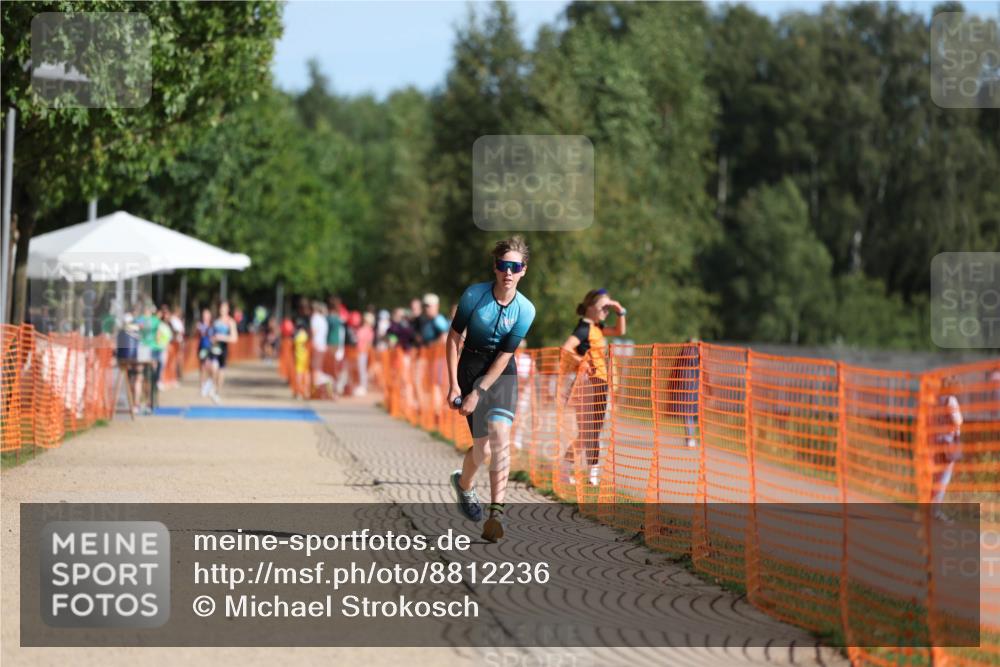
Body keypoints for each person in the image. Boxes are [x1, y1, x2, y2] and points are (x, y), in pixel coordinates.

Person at [447, 236, 536, 542]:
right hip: (470, 365)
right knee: (481, 448)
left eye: (515, 266)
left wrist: (479, 392)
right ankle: (465, 486)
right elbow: (453, 339)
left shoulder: (525, 310)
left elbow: (504, 356)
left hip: (502, 372)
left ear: (524, 270)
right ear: (495, 267)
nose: (508, 272)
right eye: (503, 265)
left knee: (500, 436)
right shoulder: (474, 295)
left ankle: (496, 514)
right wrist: (453, 384)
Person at [558, 288, 627, 487]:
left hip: (600, 383)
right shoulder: (584, 328)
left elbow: (619, 331)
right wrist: (581, 361)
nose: (606, 311)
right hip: (587, 384)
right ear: (590, 307)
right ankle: (590, 475)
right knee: (589, 431)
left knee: (592, 431)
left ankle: (580, 471)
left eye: (608, 308)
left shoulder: (597, 327)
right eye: (603, 307)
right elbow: (565, 349)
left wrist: (619, 310)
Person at [931, 377, 963, 520]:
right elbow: (957, 421)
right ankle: (935, 512)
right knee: (943, 478)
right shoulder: (951, 400)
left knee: (935, 477)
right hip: (948, 442)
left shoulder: (935, 399)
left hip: (935, 440)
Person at [210, 301, 239, 403]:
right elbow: (211, 335)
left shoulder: (230, 322)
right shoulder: (215, 321)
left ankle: (217, 392)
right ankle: (211, 386)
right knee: (213, 368)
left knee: (221, 372)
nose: (222, 310)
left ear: (228, 309)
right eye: (221, 307)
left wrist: (222, 337)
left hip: (223, 350)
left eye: (224, 308)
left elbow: (234, 338)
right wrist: (212, 339)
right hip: (214, 349)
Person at [354, 312, 375, 396]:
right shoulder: (362, 329)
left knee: (362, 369)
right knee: (360, 369)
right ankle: (361, 385)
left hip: (363, 352)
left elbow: (368, 343)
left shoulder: (369, 331)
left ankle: (363, 386)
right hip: (358, 351)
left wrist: (365, 350)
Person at [197, 308, 215, 397]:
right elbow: (199, 334)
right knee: (203, 367)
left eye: (207, 315)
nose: (205, 316)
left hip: (210, 348)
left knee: (210, 368)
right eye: (204, 314)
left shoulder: (212, 326)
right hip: (202, 348)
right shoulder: (200, 325)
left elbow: (213, 338)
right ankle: (202, 386)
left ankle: (208, 383)